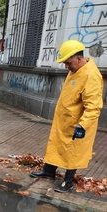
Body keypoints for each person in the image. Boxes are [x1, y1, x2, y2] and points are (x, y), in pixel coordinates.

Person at [30, 40, 103, 192]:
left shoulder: (91, 76)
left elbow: (93, 106)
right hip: (65, 119)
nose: (66, 66)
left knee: (74, 152)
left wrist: (82, 126)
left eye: (68, 62)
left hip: (78, 123)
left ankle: (68, 182)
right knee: (56, 145)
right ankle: (49, 171)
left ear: (79, 58)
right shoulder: (75, 70)